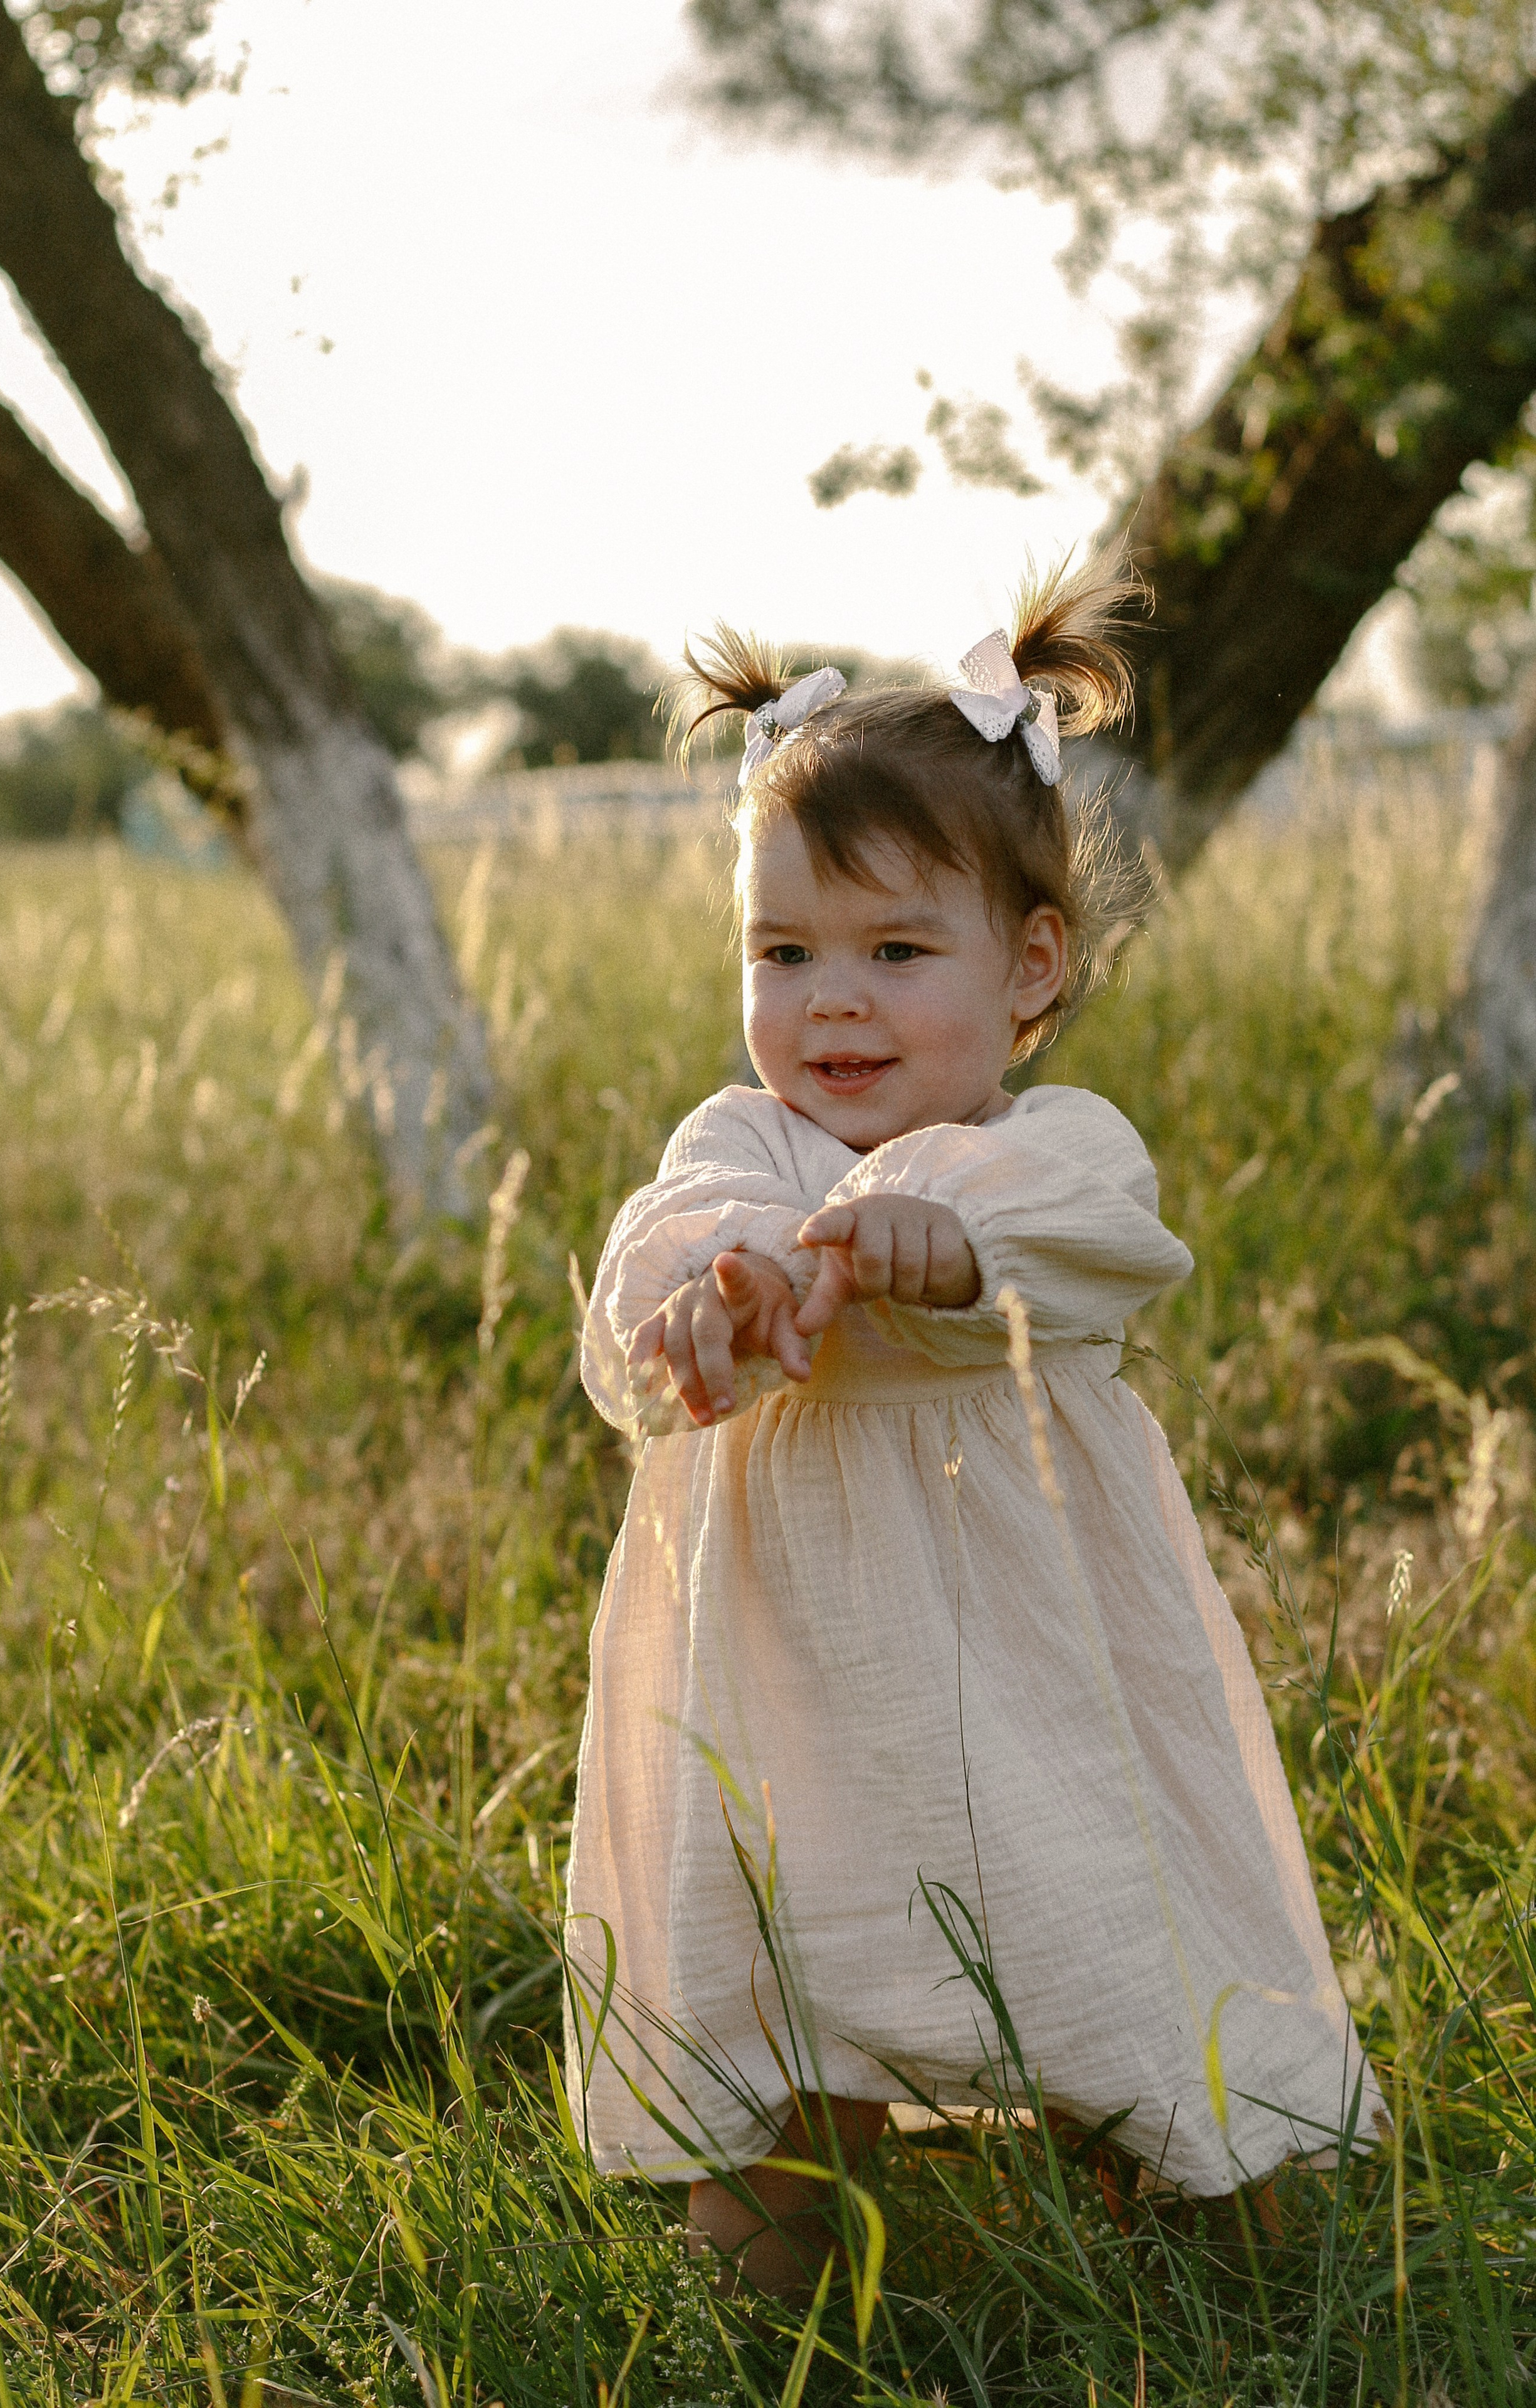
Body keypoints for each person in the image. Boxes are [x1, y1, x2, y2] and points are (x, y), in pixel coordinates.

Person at [562, 557, 1381, 2297]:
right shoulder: (744, 1154)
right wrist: (714, 1302)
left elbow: (1091, 1248)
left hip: (1033, 1662)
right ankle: (771, 2297)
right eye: (784, 953)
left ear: (1031, 967)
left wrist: (944, 1248)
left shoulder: (1056, 1148)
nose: (831, 1000)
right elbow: (648, 1278)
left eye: (894, 950)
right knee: (787, 1988)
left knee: (1103, 1951)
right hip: (785, 1691)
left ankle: (1233, 2246)